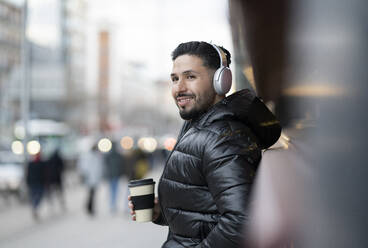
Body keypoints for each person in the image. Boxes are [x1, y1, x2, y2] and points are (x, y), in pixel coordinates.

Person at [128, 41, 281, 247]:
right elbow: (204, 215)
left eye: (190, 77)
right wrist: (159, 213)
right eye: (175, 79)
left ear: (221, 81)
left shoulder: (224, 137)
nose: (179, 88)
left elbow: (241, 222)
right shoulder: (200, 128)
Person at [77, 143, 104, 216]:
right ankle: (89, 207)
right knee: (91, 194)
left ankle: (90, 207)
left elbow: (99, 168)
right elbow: (84, 167)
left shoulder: (97, 156)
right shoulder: (88, 156)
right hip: (90, 178)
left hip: (93, 179)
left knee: (92, 194)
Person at [103, 141, 124, 213]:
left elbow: (106, 165)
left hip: (111, 175)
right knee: (115, 191)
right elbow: (121, 166)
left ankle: (112, 205)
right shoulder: (118, 155)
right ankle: (113, 205)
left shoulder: (108, 155)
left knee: (112, 191)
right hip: (115, 175)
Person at [26, 151, 46, 220]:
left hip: (37, 183)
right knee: (37, 196)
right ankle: (35, 207)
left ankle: (35, 207)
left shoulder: (41, 163)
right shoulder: (33, 163)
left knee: (37, 196)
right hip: (36, 183)